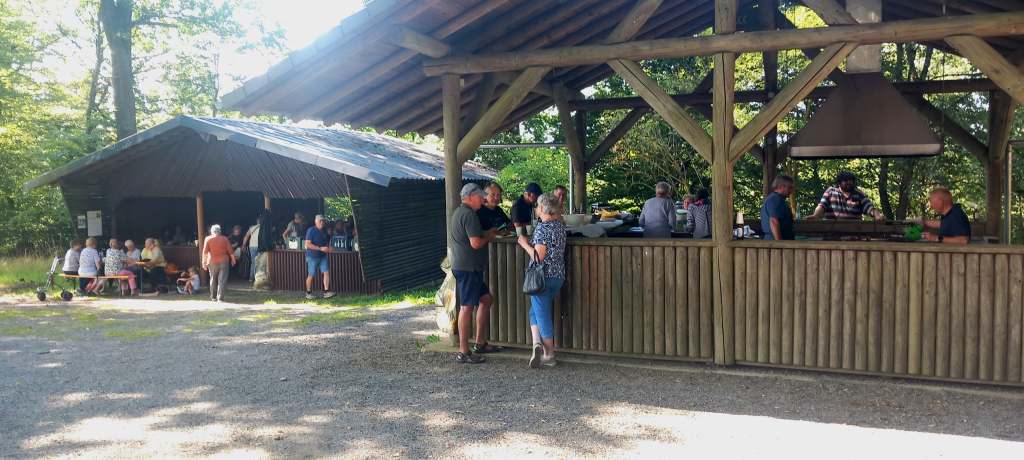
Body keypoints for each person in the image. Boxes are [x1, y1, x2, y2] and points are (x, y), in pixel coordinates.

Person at [450, 183, 499, 364]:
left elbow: (472, 236)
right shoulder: (470, 215)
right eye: (480, 196)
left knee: (486, 300)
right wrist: (490, 236)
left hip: (468, 267)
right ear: (470, 197)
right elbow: (476, 243)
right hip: (468, 268)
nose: (483, 199)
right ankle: (464, 352)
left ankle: (480, 343)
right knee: (466, 308)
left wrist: (486, 232)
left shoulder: (460, 212)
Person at [517, 193, 567, 368]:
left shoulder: (542, 228)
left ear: (543, 209)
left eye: (538, 206)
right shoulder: (560, 226)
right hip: (557, 276)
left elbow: (539, 257)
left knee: (543, 314)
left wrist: (524, 244)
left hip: (542, 278)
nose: (536, 208)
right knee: (535, 311)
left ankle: (549, 354)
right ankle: (537, 344)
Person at [808, 171, 884, 221]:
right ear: (839, 182)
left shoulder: (858, 194)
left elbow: (869, 207)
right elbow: (822, 206)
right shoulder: (831, 191)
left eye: (851, 180)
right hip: (832, 234)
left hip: (855, 234)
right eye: (846, 180)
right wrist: (815, 216)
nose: (849, 182)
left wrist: (878, 215)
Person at [304, 215, 335, 300]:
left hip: (323, 256)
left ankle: (326, 292)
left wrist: (329, 248)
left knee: (326, 272)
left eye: (323, 221)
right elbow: (307, 244)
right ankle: (308, 293)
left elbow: (325, 243)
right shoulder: (311, 230)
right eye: (320, 221)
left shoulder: (324, 231)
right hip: (312, 256)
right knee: (311, 274)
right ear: (316, 221)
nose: (322, 222)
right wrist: (320, 248)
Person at [203, 224, 237, 302]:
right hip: (224, 262)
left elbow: (205, 252)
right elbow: (230, 251)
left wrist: (204, 263)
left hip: (212, 262)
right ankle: (220, 298)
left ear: (211, 231)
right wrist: (233, 259)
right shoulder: (225, 239)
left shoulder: (208, 239)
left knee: (213, 279)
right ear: (220, 231)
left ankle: (213, 297)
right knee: (222, 280)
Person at [761, 175, 796, 240]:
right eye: (790, 188)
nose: (791, 191)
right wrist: (779, 242)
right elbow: (773, 221)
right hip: (774, 240)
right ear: (781, 187)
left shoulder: (778, 199)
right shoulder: (775, 199)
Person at [242, 213, 263, 280]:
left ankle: (251, 278)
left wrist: (243, 245)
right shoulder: (264, 228)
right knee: (260, 262)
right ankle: (258, 278)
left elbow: (246, 236)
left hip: (252, 246)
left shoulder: (252, 227)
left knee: (253, 262)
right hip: (260, 246)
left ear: (257, 221)